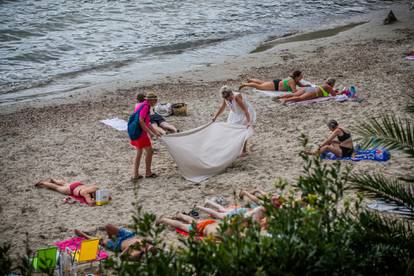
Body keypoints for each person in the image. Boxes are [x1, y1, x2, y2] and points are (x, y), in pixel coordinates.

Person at [212, 86, 256, 156]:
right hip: (235, 113)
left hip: (245, 113)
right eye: (225, 98)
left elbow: (245, 110)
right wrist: (215, 116)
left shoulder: (237, 97)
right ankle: (234, 147)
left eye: (228, 97)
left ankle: (244, 150)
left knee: (243, 131)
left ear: (231, 94)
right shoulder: (225, 97)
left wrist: (248, 122)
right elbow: (222, 107)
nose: (227, 99)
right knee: (231, 129)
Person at [74, 224, 155, 260]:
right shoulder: (147, 245)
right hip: (128, 235)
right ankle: (109, 236)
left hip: (119, 244)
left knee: (101, 241)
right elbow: (150, 241)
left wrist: (129, 248)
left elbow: (121, 257)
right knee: (108, 226)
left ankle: (84, 235)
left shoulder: (137, 253)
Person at [131, 93, 162, 180]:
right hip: (140, 132)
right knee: (149, 151)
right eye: (155, 100)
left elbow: (147, 122)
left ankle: (135, 174)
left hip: (134, 131)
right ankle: (148, 172)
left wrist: (155, 132)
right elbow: (141, 121)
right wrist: (149, 132)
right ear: (150, 100)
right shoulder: (145, 106)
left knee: (139, 152)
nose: (156, 102)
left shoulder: (141, 105)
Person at [157, 213, 221, 239]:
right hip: (199, 228)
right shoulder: (217, 237)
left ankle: (180, 215)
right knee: (181, 226)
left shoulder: (226, 228)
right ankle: (163, 220)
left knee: (193, 221)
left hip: (208, 222)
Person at [239, 70, 309, 92]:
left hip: (277, 83)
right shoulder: (292, 81)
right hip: (275, 86)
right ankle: (245, 84)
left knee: (263, 83)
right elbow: (294, 91)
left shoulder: (294, 80)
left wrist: (306, 86)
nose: (302, 78)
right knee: (259, 86)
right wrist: (304, 91)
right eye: (301, 76)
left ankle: (250, 80)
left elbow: (301, 85)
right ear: (297, 76)